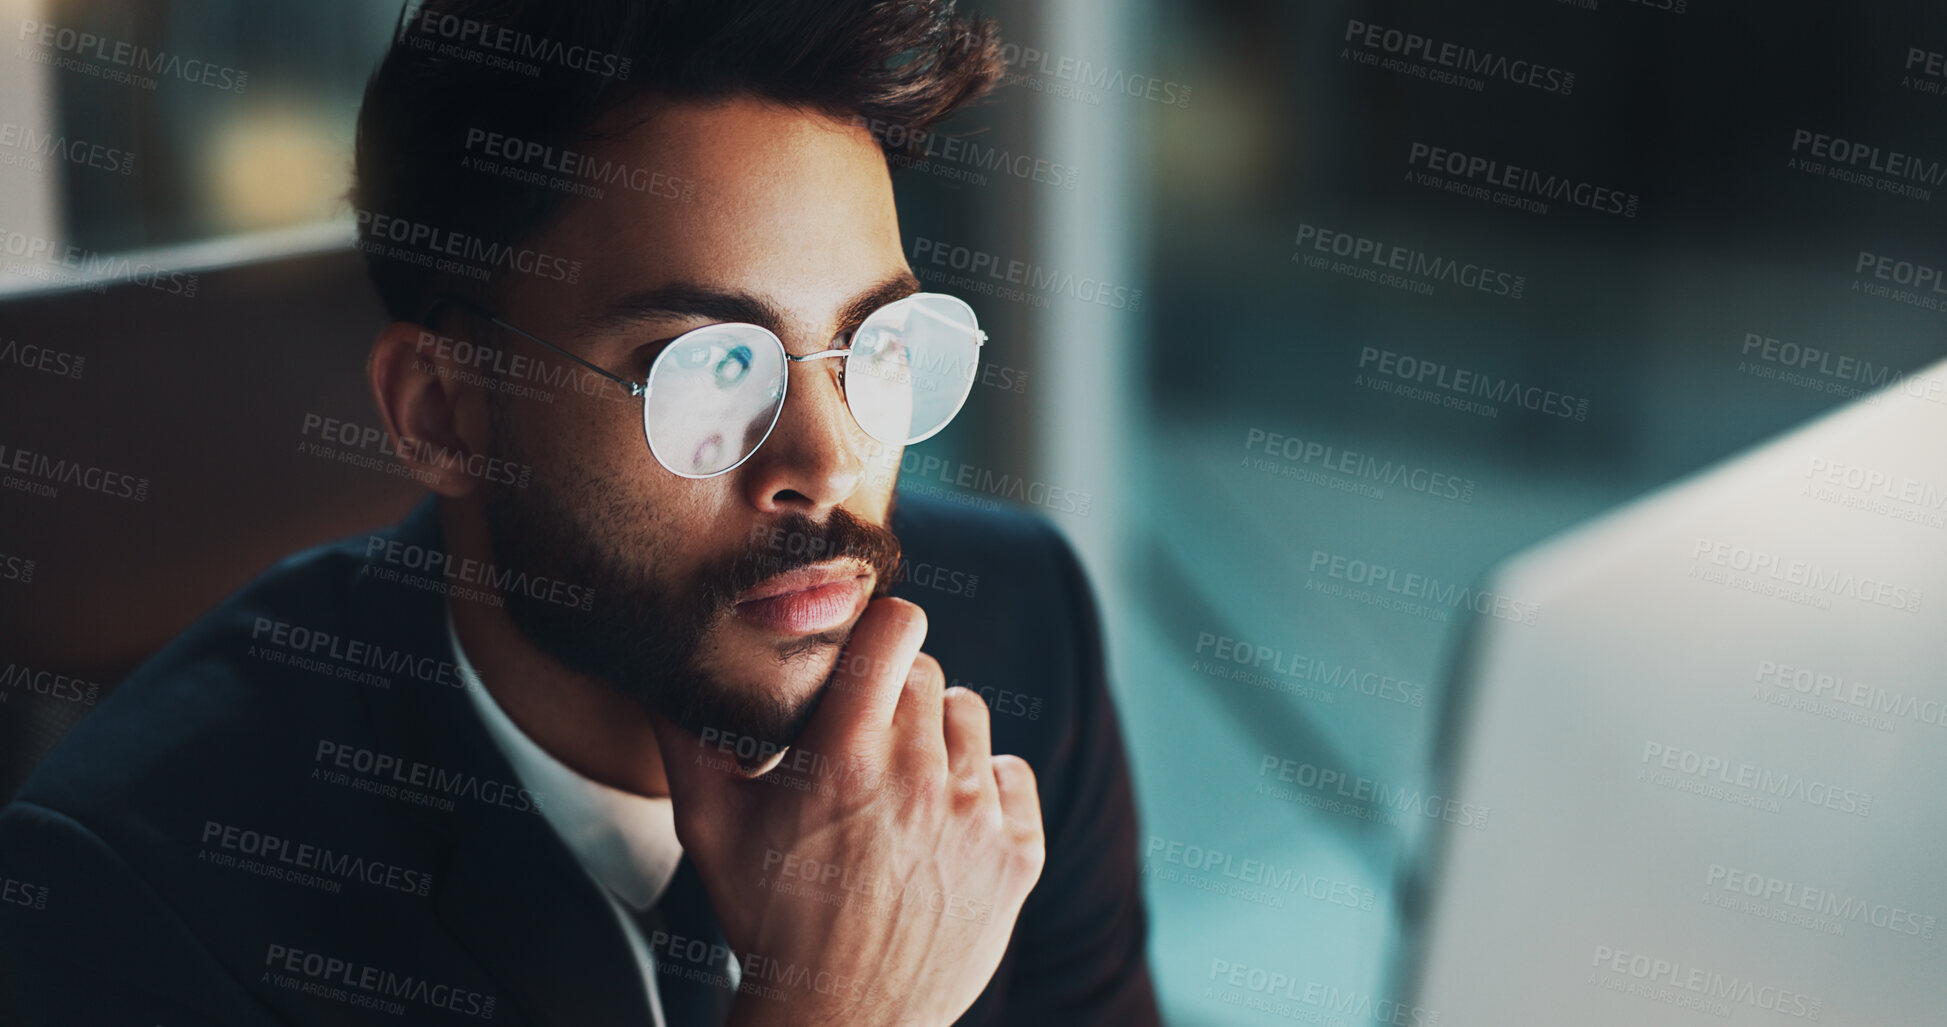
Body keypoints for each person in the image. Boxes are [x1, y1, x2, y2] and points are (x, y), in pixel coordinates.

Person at [0, 1, 1159, 1024]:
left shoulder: (1020, 638)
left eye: (873, 347)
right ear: (444, 412)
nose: (828, 460)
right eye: (706, 368)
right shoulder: (130, 906)